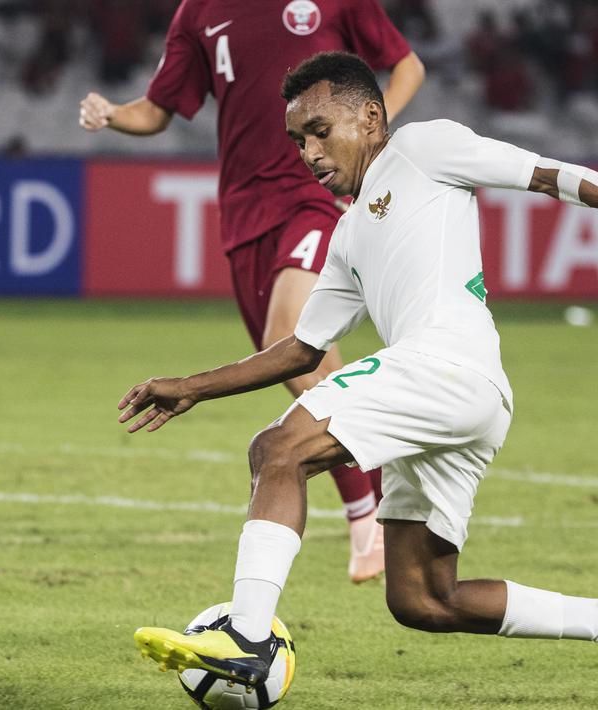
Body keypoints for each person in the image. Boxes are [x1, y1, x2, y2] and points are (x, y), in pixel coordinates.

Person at [121, 52, 598, 709]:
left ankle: (247, 641)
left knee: (276, 450)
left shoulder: (424, 147)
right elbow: (301, 351)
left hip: (444, 366)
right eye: (296, 140)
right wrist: (193, 385)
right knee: (422, 599)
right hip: (463, 397)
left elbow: (544, 175)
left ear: (370, 117)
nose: (307, 151)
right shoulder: (345, 235)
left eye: (318, 130)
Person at [80, 0, 425, 583]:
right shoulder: (198, 12)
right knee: (301, 362)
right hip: (244, 216)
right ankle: (377, 498)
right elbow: (160, 110)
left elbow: (407, 64)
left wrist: (366, 134)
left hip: (314, 195)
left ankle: (368, 509)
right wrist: (112, 113)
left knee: (289, 340)